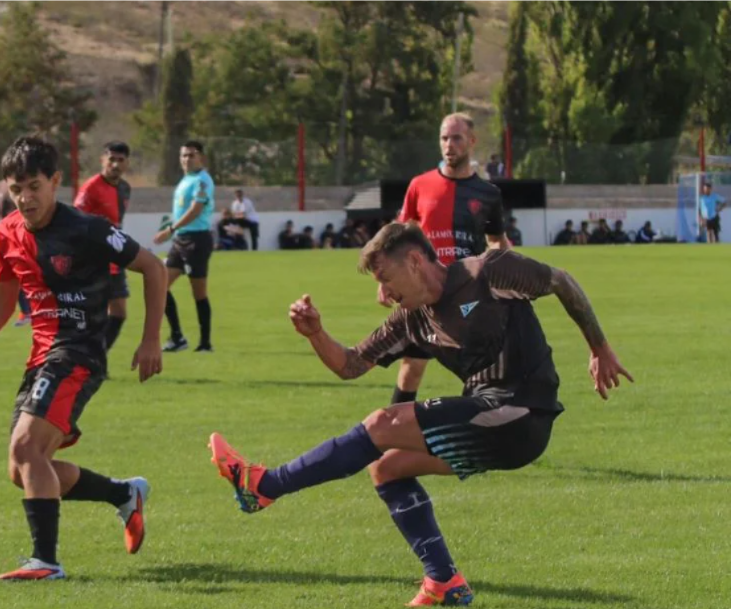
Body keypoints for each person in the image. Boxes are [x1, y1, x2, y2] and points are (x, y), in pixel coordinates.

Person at [209, 222, 633, 607]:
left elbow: (561, 280)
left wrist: (599, 348)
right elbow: (350, 364)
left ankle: (265, 485)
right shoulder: (411, 320)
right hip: (493, 421)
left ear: (414, 261)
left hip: (522, 411)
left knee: (383, 423)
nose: (384, 293)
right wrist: (316, 333)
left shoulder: (488, 271)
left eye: (386, 280)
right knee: (387, 469)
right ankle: (445, 581)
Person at [0, 136, 166, 581]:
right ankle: (123, 494)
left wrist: (150, 340)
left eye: (34, 186)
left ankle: (45, 562)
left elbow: (153, 267)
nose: (26, 198)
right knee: (24, 469)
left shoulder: (86, 229)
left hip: (81, 352)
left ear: (54, 182)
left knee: (26, 448)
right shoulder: (7, 233)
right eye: (16, 189)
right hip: (41, 357)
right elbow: (0, 306)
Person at [392, 112, 509, 418]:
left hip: (470, 294)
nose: (449, 145)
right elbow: (400, 234)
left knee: (479, 371)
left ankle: (476, 435)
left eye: (456, 138)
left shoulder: (488, 193)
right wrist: (386, 280)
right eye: (444, 138)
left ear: (472, 141)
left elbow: (497, 240)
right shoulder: (420, 185)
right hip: (425, 292)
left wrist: (512, 271)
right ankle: (392, 434)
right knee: (412, 368)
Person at [153, 140, 216, 353]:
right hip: (181, 240)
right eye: (183, 155)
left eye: (191, 155)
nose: (186, 159)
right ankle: (178, 337)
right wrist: (171, 230)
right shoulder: (185, 180)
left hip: (196, 241)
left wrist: (169, 230)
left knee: (198, 293)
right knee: (159, 285)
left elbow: (195, 210)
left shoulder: (202, 181)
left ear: (201, 158)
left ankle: (205, 343)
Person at [74, 141, 134, 354]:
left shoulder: (125, 188)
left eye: (120, 160)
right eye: (111, 160)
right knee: (93, 315)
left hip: (115, 259)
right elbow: (76, 220)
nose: (115, 165)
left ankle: (95, 357)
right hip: (94, 260)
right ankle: (80, 358)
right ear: (103, 160)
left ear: (127, 163)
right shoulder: (91, 187)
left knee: (118, 314)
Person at [0, 180, 33, 327]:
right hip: (7, 234)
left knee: (19, 274)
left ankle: (28, 312)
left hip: (20, 232)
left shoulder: (21, 183)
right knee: (13, 275)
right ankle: (28, 311)